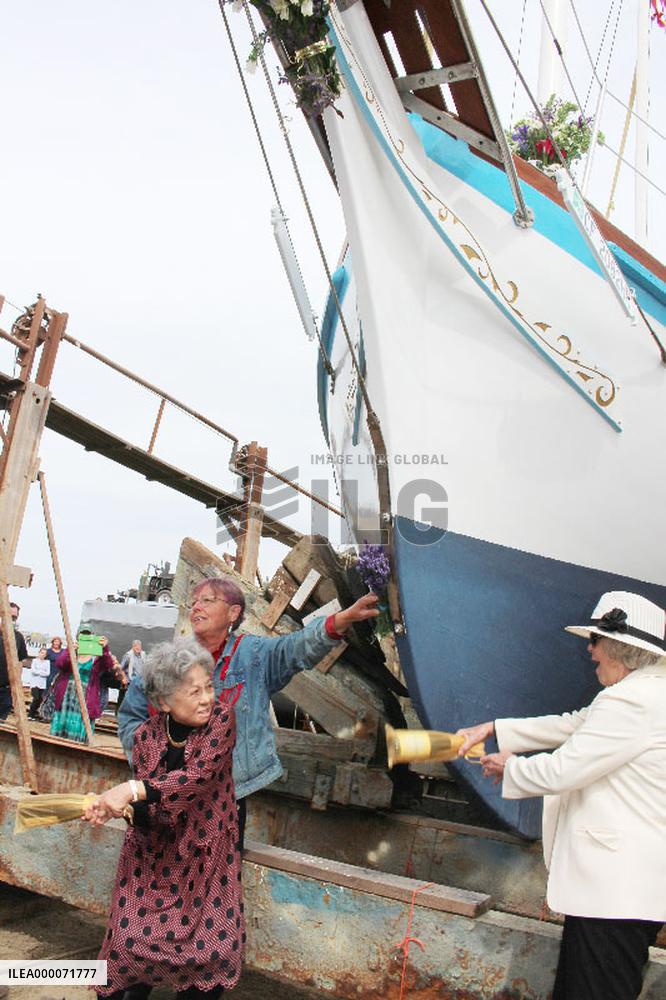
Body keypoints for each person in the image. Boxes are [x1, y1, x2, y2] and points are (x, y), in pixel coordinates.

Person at [457, 591, 666, 1000]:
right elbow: (575, 725)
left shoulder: (631, 702)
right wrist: (495, 728)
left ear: (621, 649)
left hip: (613, 895)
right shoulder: (647, 694)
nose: (589, 652)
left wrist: (509, 767)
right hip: (623, 895)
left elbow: (564, 768)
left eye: (595, 641)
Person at [119, 577, 379, 850]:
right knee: (157, 870)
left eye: (207, 600)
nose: (196, 607)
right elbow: (133, 714)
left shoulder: (254, 655)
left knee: (216, 880)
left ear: (233, 613)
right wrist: (152, 758)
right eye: (193, 601)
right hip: (167, 792)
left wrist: (341, 620)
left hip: (225, 798)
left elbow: (296, 648)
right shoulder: (174, 659)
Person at [84, 637, 243, 1000]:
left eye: (209, 687)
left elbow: (194, 780)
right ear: (165, 701)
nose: (207, 698)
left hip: (204, 857)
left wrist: (131, 790)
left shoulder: (221, 721)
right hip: (152, 858)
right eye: (194, 691)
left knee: (209, 952)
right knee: (126, 943)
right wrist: (114, 808)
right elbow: (152, 812)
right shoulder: (146, 737)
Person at [50, 628, 118, 742]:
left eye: (88, 635)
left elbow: (108, 665)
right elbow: (60, 664)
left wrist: (104, 649)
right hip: (67, 696)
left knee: (81, 723)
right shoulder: (73, 653)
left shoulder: (96, 657)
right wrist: (69, 650)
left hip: (86, 697)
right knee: (61, 727)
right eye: (83, 636)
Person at [0, 602, 28, 721]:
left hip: (6, 689)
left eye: (14, 617)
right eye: (8, 615)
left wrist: (16, 684)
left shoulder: (18, 637)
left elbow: (20, 662)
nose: (10, 619)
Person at [28, 647, 51, 720]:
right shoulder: (34, 661)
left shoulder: (47, 662)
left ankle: (34, 713)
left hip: (42, 684)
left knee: (39, 699)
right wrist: (41, 672)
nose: (42, 654)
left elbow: (47, 673)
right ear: (39, 653)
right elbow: (33, 671)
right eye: (42, 653)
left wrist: (39, 671)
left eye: (44, 653)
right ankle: (30, 714)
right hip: (34, 683)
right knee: (36, 698)